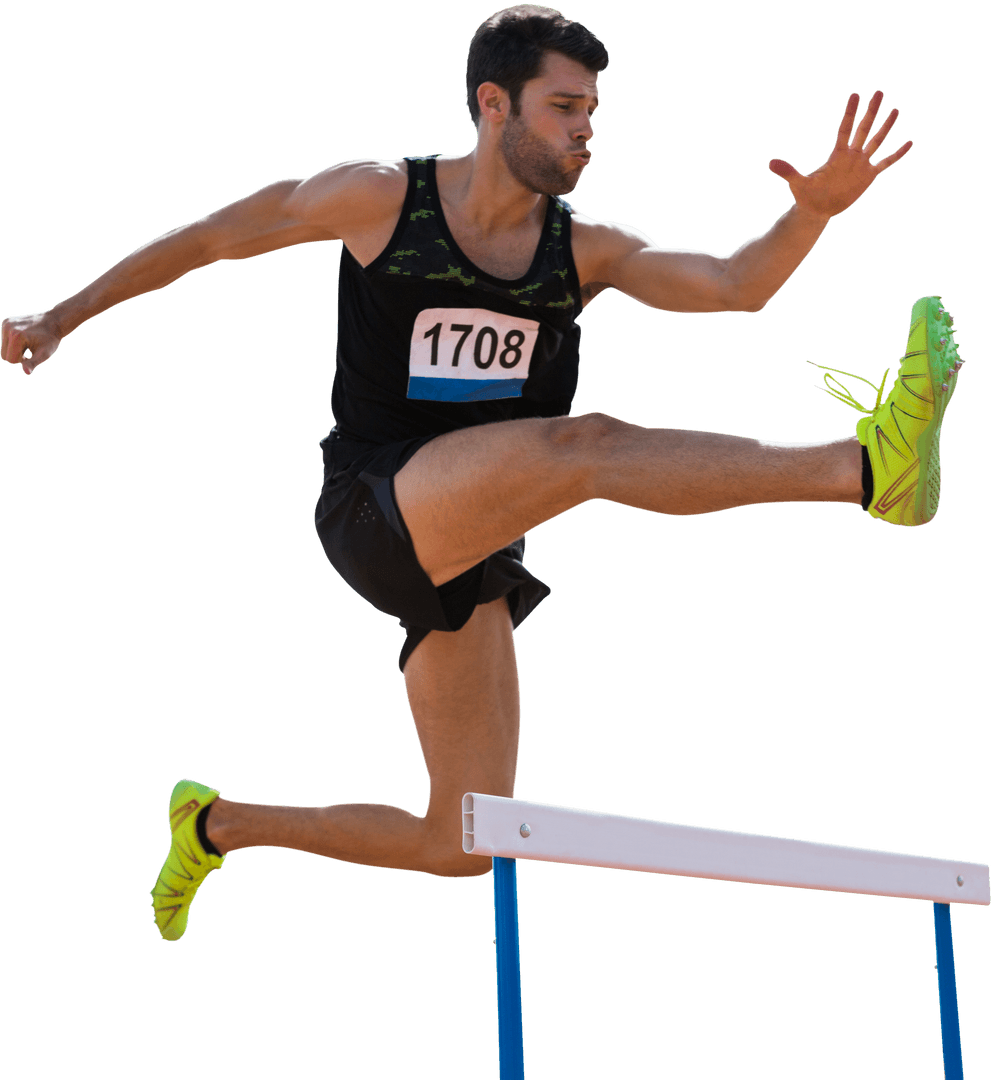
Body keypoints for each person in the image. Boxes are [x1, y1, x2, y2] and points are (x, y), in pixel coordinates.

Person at [1, 5, 963, 943]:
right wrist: (58, 317)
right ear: (492, 104)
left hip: (470, 546)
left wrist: (809, 214)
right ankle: (863, 469)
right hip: (374, 503)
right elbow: (207, 240)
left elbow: (731, 285)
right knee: (581, 447)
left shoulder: (585, 248)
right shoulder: (380, 199)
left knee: (464, 840)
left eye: (592, 109)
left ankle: (214, 825)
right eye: (563, 106)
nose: (586, 128)